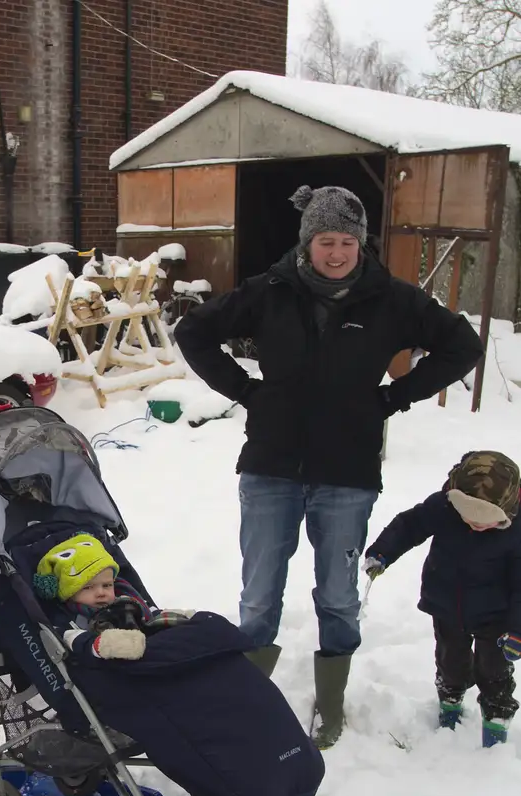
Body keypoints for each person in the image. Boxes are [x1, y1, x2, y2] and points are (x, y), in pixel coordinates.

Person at [175, 184, 484, 749]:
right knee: (259, 592)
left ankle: (332, 700)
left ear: (360, 244)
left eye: (346, 241)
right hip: (271, 466)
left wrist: (395, 397)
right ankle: (252, 699)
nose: (336, 252)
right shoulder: (270, 291)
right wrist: (247, 391)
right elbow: (193, 331)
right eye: (325, 240)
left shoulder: (390, 298)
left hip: (347, 472)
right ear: (307, 242)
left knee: (338, 593)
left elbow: (462, 345)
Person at [363, 451, 521, 747]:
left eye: (486, 521)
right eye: (469, 517)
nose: (475, 525)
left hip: (497, 617)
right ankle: (450, 700)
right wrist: (383, 552)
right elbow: (410, 526)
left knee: (494, 669)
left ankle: (497, 718)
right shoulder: (445, 507)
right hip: (448, 604)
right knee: (451, 661)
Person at [33, 533, 156, 660]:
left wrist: (160, 616)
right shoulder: (68, 618)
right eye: (88, 587)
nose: (101, 593)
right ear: (69, 593)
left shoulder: (124, 600)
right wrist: (100, 645)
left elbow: (145, 611)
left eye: (107, 585)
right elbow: (70, 638)